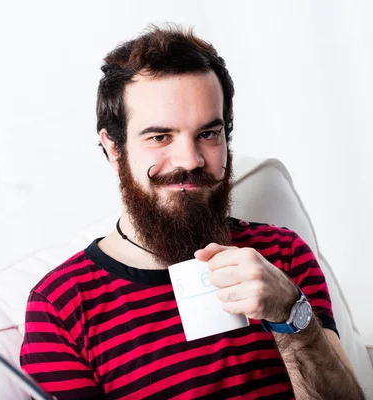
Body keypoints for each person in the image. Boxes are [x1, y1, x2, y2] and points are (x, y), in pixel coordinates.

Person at [19, 25, 365, 399]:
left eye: (208, 134)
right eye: (159, 137)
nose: (190, 160)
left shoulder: (280, 252)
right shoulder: (61, 308)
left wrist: (289, 313)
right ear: (114, 147)